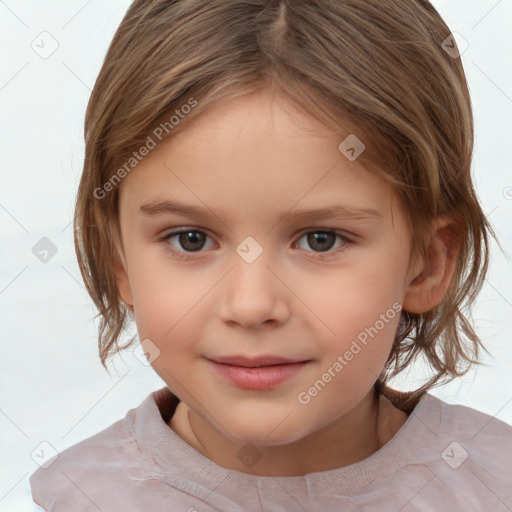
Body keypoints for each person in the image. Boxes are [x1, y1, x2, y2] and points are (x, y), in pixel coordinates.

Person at [29, 0, 512, 510]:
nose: (251, 305)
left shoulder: (494, 485)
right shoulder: (82, 498)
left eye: (320, 239)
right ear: (119, 260)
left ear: (427, 264)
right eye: (190, 239)